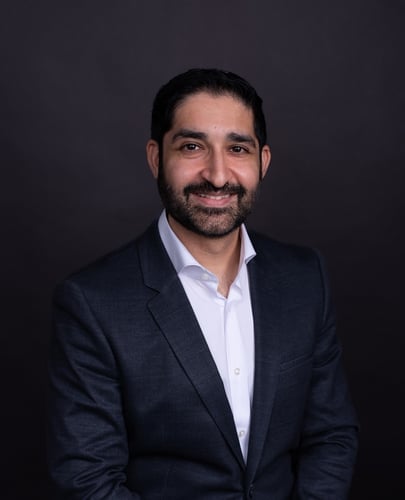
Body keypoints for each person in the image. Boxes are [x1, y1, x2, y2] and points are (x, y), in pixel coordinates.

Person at [48, 68, 359, 499]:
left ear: (263, 161)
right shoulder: (92, 303)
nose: (216, 175)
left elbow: (331, 435)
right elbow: (89, 479)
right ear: (156, 158)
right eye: (192, 147)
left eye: (237, 148)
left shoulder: (304, 278)